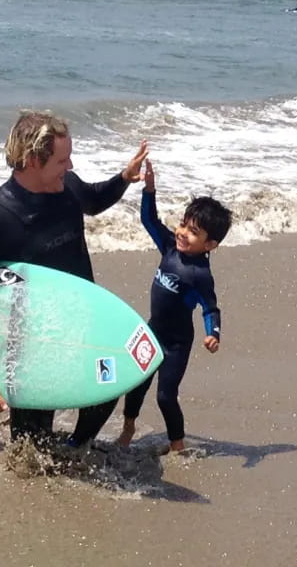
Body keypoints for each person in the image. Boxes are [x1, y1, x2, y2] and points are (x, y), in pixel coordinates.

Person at [0, 110, 148, 446]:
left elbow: (94, 200)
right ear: (32, 160)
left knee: (107, 389)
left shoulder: (67, 188)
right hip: (34, 342)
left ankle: (76, 448)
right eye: (62, 160)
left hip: (83, 321)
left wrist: (124, 178)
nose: (69, 168)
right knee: (30, 447)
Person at [116, 159, 232, 453]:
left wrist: (213, 333)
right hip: (152, 330)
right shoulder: (169, 246)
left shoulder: (199, 276)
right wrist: (149, 190)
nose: (182, 232)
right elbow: (148, 220)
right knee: (136, 384)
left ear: (210, 244)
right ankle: (127, 430)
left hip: (176, 344)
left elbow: (210, 308)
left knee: (166, 397)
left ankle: (177, 447)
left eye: (193, 232)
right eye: (183, 224)